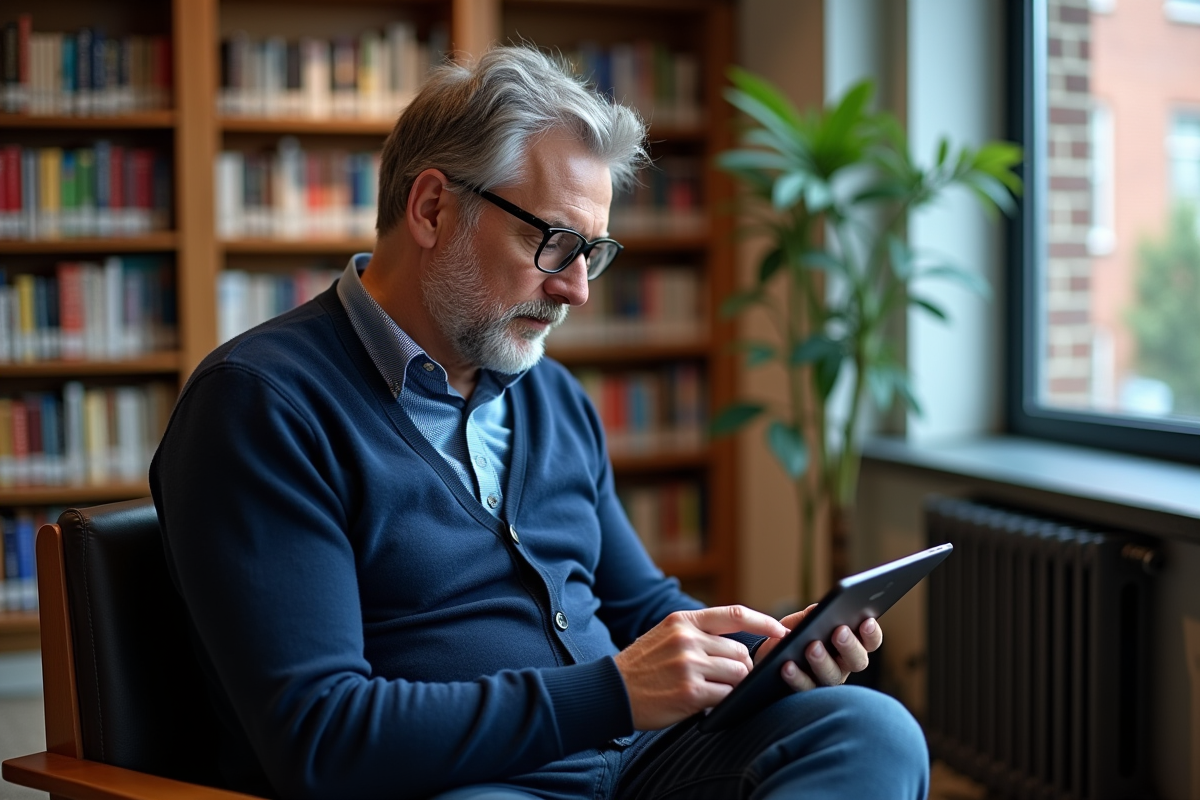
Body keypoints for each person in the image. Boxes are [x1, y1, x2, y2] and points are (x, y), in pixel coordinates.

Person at [151, 46, 929, 800]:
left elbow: (636, 609)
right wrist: (613, 694)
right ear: (431, 209)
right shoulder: (262, 404)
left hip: (636, 762)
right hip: (460, 784)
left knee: (868, 732)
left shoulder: (550, 397)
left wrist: (765, 653)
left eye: (593, 251)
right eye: (554, 242)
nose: (577, 291)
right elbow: (319, 735)